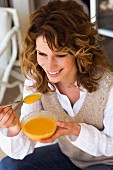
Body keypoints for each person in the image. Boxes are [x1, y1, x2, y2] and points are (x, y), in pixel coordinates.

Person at [0, 0, 113, 169]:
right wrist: (14, 126)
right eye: (42, 54)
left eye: (60, 55)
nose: (49, 66)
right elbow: (21, 150)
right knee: (9, 165)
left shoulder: (107, 85)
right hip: (67, 156)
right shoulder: (37, 77)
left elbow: (111, 146)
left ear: (79, 51)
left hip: (104, 162)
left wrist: (75, 130)